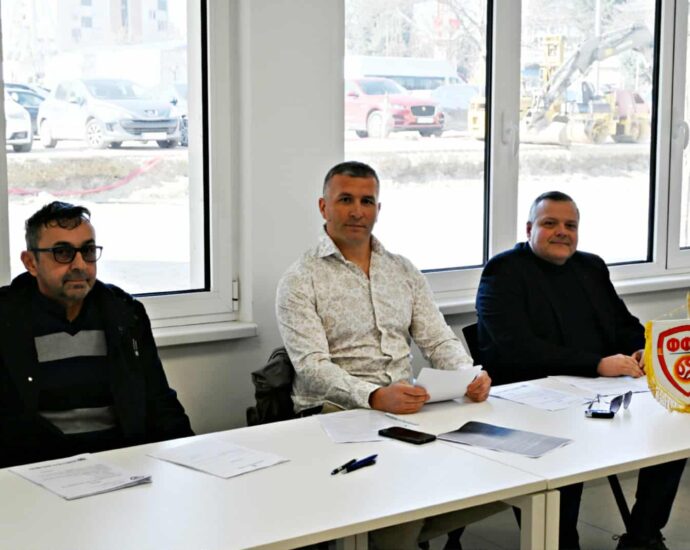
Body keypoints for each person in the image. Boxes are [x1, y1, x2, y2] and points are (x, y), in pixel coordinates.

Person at [276, 161, 501, 550]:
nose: (357, 211)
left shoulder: (402, 270)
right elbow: (311, 367)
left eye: (367, 201)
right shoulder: (300, 279)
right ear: (323, 206)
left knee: (501, 472)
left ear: (378, 209)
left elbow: (437, 339)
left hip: (407, 409)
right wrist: (375, 396)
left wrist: (468, 374)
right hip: (335, 415)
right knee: (397, 505)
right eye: (345, 200)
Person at [476, 191, 685, 550]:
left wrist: (643, 349)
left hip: (596, 393)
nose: (562, 232)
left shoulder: (590, 267)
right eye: (550, 223)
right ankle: (559, 542)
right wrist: (596, 364)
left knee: (673, 429)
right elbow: (515, 348)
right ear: (529, 229)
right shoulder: (504, 270)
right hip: (529, 400)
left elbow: (622, 323)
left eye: (570, 225)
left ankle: (643, 535)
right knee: (566, 454)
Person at [0, 201, 193, 468]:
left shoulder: (125, 313)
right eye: (63, 253)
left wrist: (190, 460)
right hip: (36, 469)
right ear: (31, 263)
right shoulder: (6, 319)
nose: (79, 264)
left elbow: (159, 400)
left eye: (88, 251)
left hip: (122, 465)